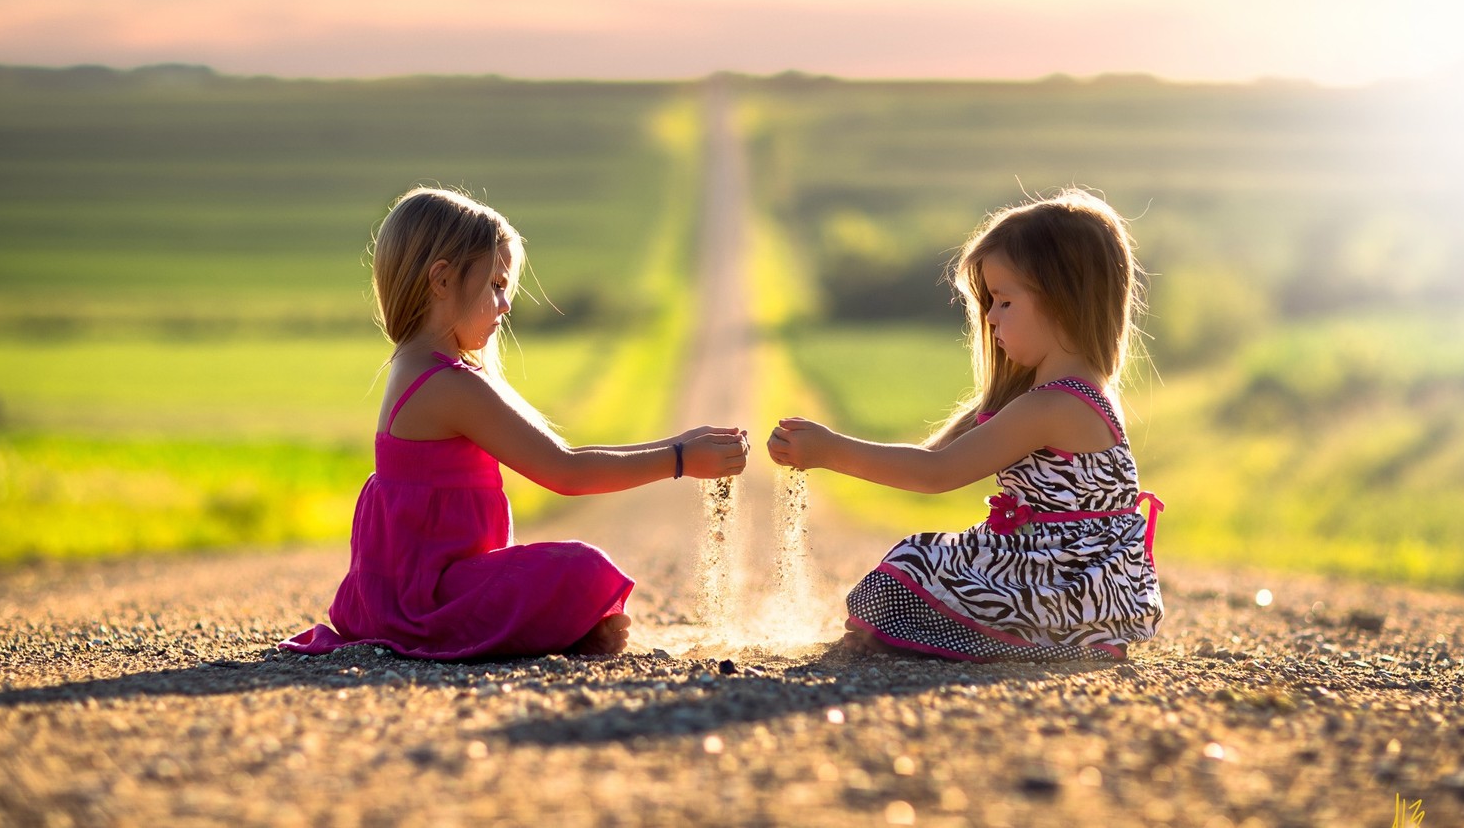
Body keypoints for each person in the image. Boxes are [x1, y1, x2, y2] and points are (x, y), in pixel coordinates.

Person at [282, 187, 748, 660]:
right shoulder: (448, 385)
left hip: (409, 593)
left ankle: (556, 627)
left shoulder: (420, 366)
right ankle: (559, 631)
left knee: (555, 573)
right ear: (441, 280)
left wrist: (681, 443)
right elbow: (565, 472)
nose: (505, 306)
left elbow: (564, 456)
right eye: (496, 286)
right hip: (428, 602)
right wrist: (680, 459)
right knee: (580, 569)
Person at [767, 188, 1163, 663]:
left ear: (1063, 300)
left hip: (1063, 584)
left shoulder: (1054, 407)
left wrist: (830, 451)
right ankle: (940, 637)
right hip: (1065, 573)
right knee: (930, 563)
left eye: (1004, 301)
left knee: (916, 561)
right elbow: (931, 457)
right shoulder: (1060, 398)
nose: (991, 317)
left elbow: (935, 474)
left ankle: (1033, 638)